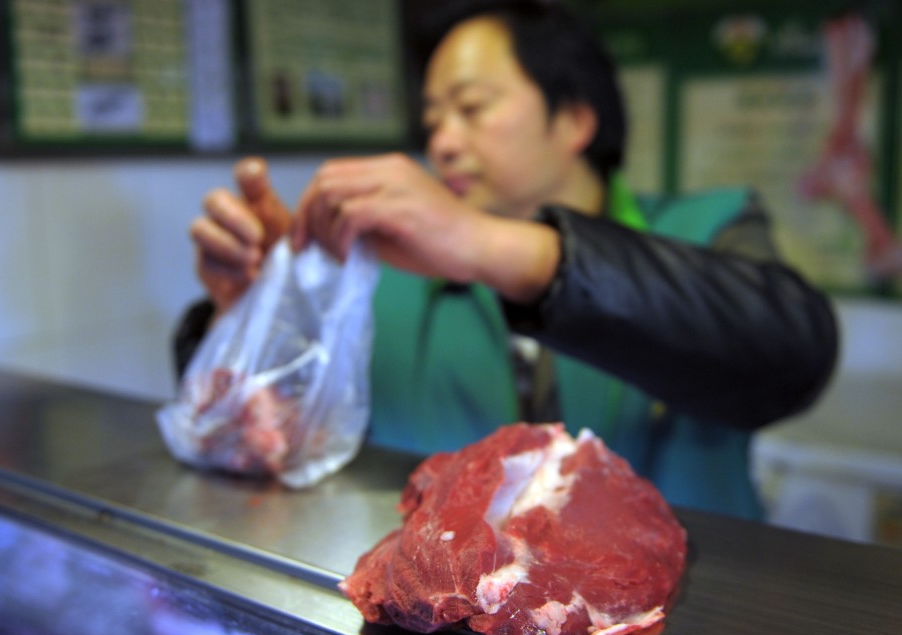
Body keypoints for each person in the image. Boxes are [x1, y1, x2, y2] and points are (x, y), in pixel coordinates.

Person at [174, 0, 838, 520]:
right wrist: (264, 311)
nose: (443, 141)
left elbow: (789, 353)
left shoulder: (708, 226)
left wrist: (488, 244)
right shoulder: (391, 282)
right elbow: (283, 440)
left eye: (471, 107)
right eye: (433, 119)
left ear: (574, 120)